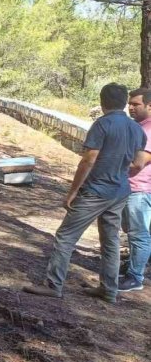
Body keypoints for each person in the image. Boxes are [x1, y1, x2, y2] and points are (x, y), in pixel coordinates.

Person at [24, 83, 147, 303]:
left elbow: (89, 159)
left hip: (96, 190)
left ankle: (54, 285)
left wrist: (72, 192)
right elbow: (138, 164)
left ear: (103, 103)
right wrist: (118, 168)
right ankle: (109, 289)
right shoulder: (137, 129)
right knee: (110, 241)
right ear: (122, 103)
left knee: (65, 236)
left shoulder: (102, 125)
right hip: (121, 192)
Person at [119, 88, 151, 292]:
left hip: (139, 189)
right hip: (134, 188)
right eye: (130, 103)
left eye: (136, 104)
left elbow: (139, 163)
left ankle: (135, 277)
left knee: (139, 234)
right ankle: (135, 267)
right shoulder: (139, 126)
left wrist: (110, 164)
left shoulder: (148, 130)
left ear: (149, 106)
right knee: (135, 231)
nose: (131, 107)